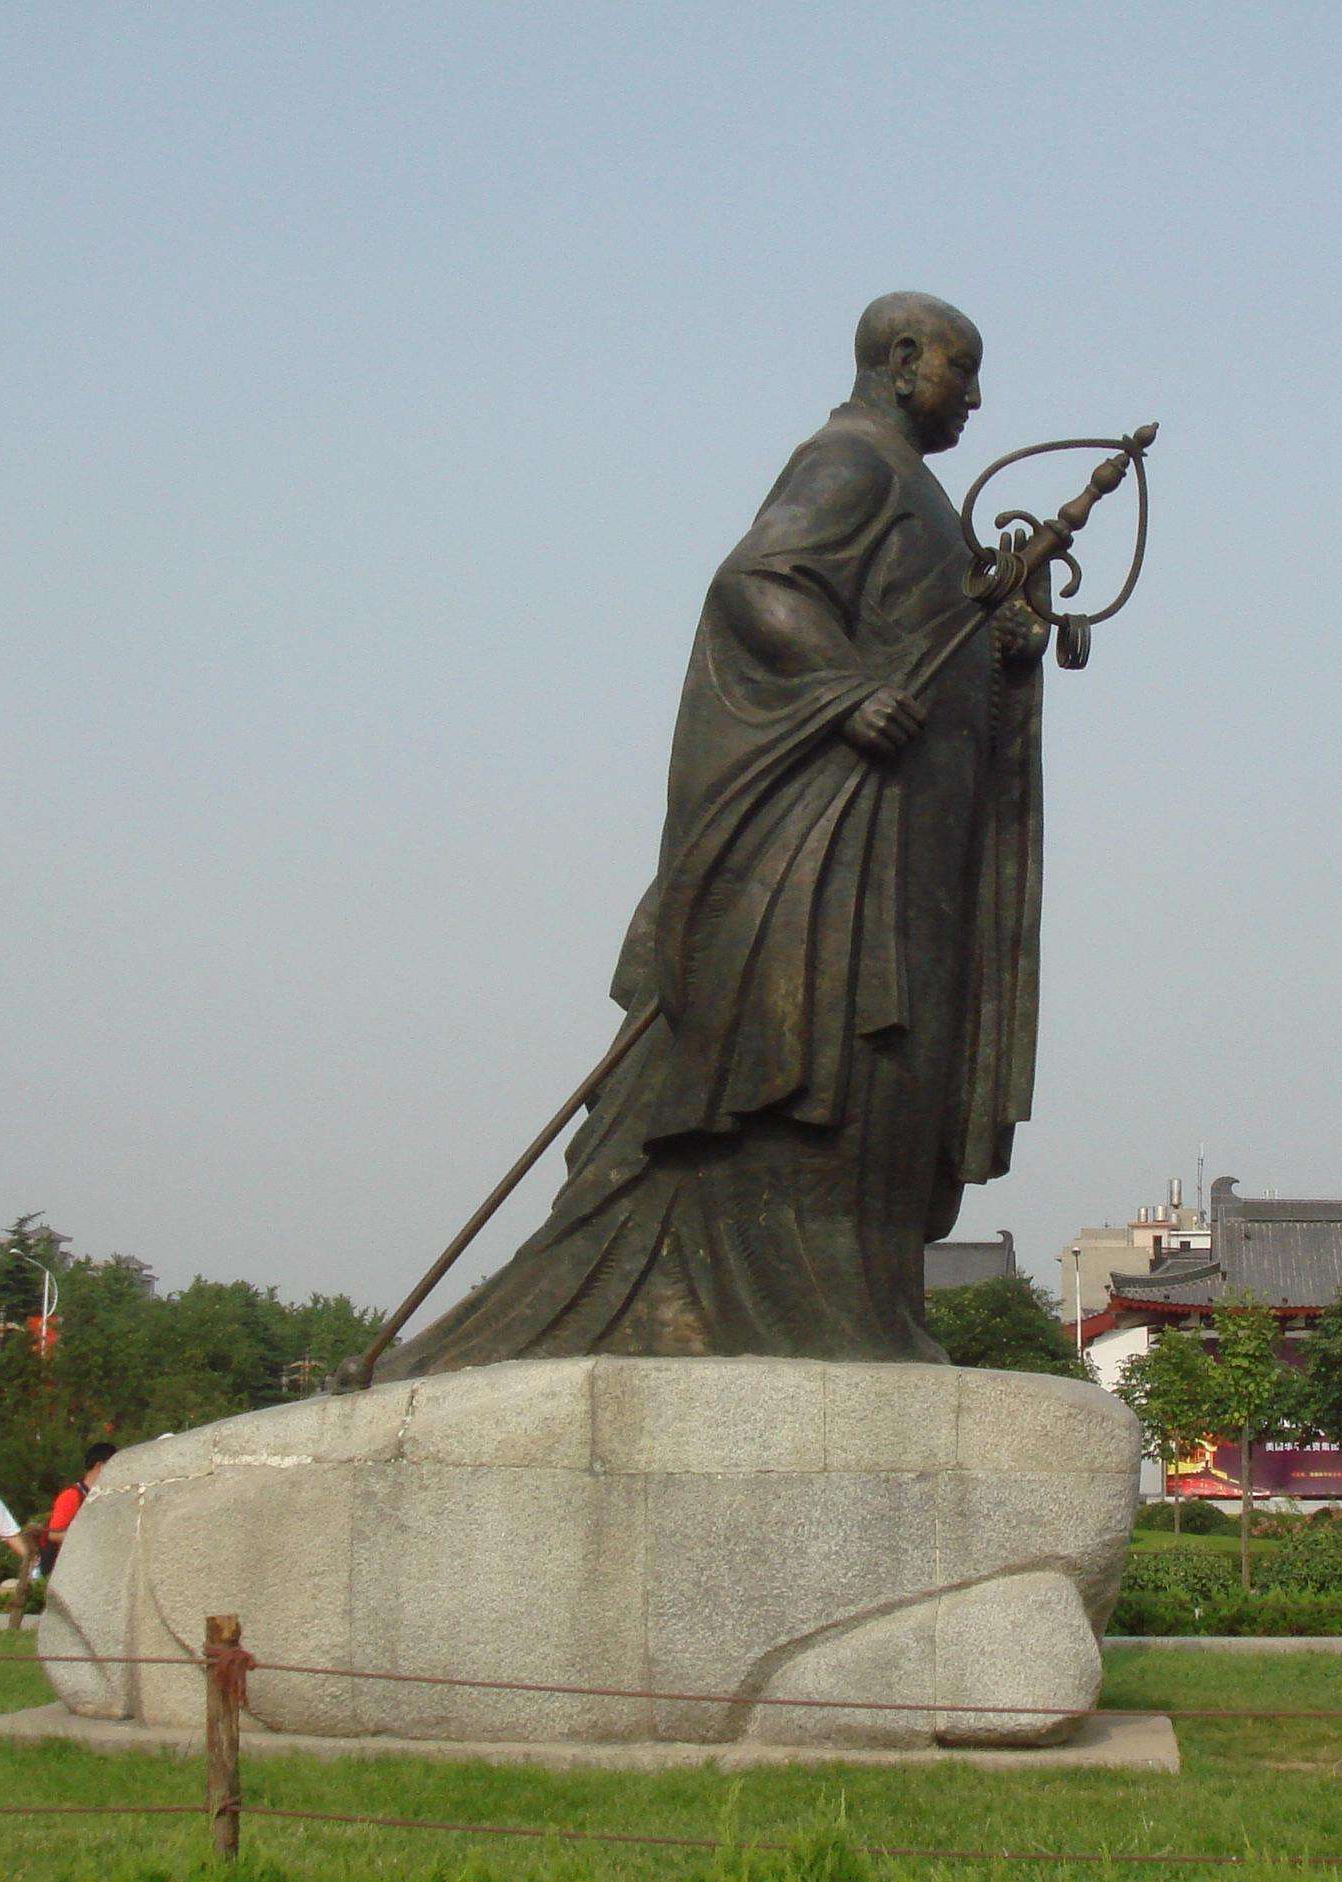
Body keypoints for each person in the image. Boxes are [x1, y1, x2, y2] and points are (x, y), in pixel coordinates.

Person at [380, 292, 1048, 1375]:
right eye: (961, 371)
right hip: (835, 862)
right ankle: (800, 1310)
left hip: (903, 855)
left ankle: (866, 1312)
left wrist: (999, 638)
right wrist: (842, 693)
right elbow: (757, 585)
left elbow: (925, 639)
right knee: (825, 1073)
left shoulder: (922, 494)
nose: (974, 397)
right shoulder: (851, 463)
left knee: (895, 1081)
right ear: (904, 359)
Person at [41, 1441, 115, 1575]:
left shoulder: (106, 1495)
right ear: (99, 1465)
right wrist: (91, 1536)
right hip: (67, 1572)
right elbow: (54, 1534)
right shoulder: (72, 1496)